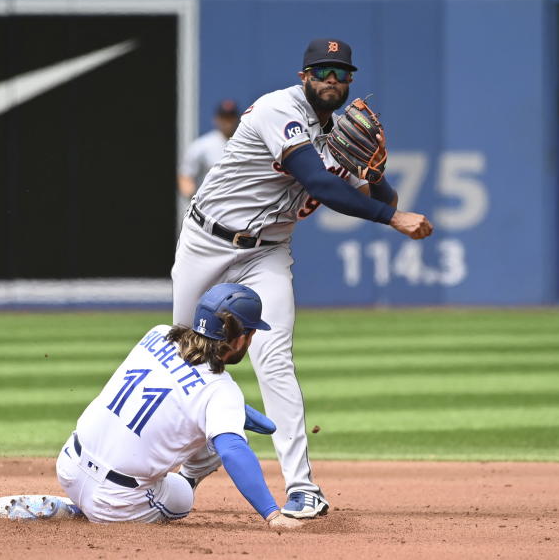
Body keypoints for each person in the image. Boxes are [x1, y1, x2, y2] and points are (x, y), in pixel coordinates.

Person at [171, 38, 434, 518]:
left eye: (341, 72)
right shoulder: (279, 109)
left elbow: (384, 196)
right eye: (322, 71)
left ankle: (302, 488)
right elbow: (320, 183)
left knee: (274, 361)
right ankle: (195, 459)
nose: (331, 80)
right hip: (206, 242)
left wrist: (375, 173)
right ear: (304, 76)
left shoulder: (342, 134)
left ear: (351, 80)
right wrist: (391, 220)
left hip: (267, 253)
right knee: (191, 362)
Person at [55, 283, 303, 529]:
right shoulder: (221, 391)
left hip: (68, 466)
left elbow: (172, 381)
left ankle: (75, 503)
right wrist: (273, 514)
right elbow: (232, 450)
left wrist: (235, 411)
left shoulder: (158, 333)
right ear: (239, 340)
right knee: (182, 496)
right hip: (113, 502)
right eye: (251, 334)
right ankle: (87, 508)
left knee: (204, 429)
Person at [177, 99, 241, 199]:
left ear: (237, 119)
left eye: (230, 117)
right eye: (224, 117)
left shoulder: (244, 144)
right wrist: (195, 198)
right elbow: (185, 176)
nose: (228, 122)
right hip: (207, 207)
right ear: (216, 119)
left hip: (238, 205)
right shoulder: (202, 145)